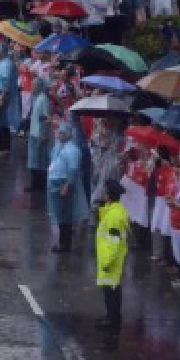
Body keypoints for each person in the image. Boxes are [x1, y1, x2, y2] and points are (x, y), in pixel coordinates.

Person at [47, 122, 88, 253]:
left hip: (64, 184)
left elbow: (73, 169)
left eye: (62, 133)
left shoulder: (72, 149)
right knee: (59, 215)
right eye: (59, 132)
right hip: (55, 184)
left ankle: (65, 244)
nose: (60, 135)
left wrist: (67, 185)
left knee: (65, 216)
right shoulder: (59, 146)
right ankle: (61, 242)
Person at [95, 181, 130, 329]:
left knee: (112, 291)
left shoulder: (114, 216)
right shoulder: (113, 211)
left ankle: (113, 319)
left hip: (111, 261)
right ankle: (111, 317)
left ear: (109, 195)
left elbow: (114, 241)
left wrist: (108, 262)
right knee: (109, 290)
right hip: (108, 259)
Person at [0, 43, 21, 154]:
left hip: (0, 93)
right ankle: (4, 146)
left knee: (0, 120)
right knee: (3, 120)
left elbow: (5, 82)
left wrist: (1, 98)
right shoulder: (8, 63)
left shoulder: (5, 64)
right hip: (3, 93)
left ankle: (1, 146)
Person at [26, 77, 51, 191]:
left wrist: (44, 133)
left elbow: (45, 118)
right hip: (34, 132)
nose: (32, 87)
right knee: (34, 160)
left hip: (38, 133)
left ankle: (37, 185)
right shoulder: (37, 98)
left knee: (38, 160)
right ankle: (34, 184)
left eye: (34, 85)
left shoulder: (43, 99)